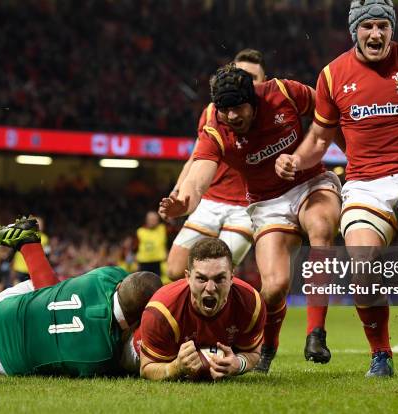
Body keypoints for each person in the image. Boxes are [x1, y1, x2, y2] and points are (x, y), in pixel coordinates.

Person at [275, 0, 398, 377]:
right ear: (355, 31)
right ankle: (381, 354)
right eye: (367, 27)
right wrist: (295, 160)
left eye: (383, 26)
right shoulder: (332, 76)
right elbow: (318, 138)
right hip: (365, 183)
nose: (376, 34)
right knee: (361, 262)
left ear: (392, 28)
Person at [159, 65, 342, 372]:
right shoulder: (215, 129)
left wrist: (312, 156)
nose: (232, 117)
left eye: (238, 108)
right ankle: (268, 346)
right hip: (268, 203)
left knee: (321, 227)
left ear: (254, 100)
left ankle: (316, 333)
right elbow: (200, 173)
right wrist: (185, 200)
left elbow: (328, 113)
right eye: (225, 110)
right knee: (274, 287)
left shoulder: (283, 92)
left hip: (310, 181)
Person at [0, 217, 163, 377]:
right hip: (0, 361)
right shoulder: (103, 354)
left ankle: (28, 243)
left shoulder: (107, 276)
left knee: (53, 291)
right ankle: (27, 242)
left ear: (121, 284)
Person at [165, 49, 267, 281]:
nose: (244, 82)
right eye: (240, 75)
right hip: (210, 200)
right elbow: (196, 157)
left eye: (252, 78)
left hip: (246, 207)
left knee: (216, 274)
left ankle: (226, 316)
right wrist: (178, 190)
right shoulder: (213, 112)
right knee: (175, 270)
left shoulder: (271, 114)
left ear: (264, 82)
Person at [139, 238, 266, 380]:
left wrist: (239, 364)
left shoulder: (251, 303)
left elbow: (253, 353)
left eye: (219, 279)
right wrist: (176, 367)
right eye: (201, 279)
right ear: (187, 277)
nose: (210, 288)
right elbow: (146, 368)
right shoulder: (162, 311)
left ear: (231, 278)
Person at [135, 211, 168, 276]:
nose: (153, 221)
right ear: (146, 220)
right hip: (144, 263)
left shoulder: (163, 228)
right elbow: (134, 247)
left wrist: (165, 217)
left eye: (155, 219)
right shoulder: (140, 231)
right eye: (151, 219)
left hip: (159, 263)